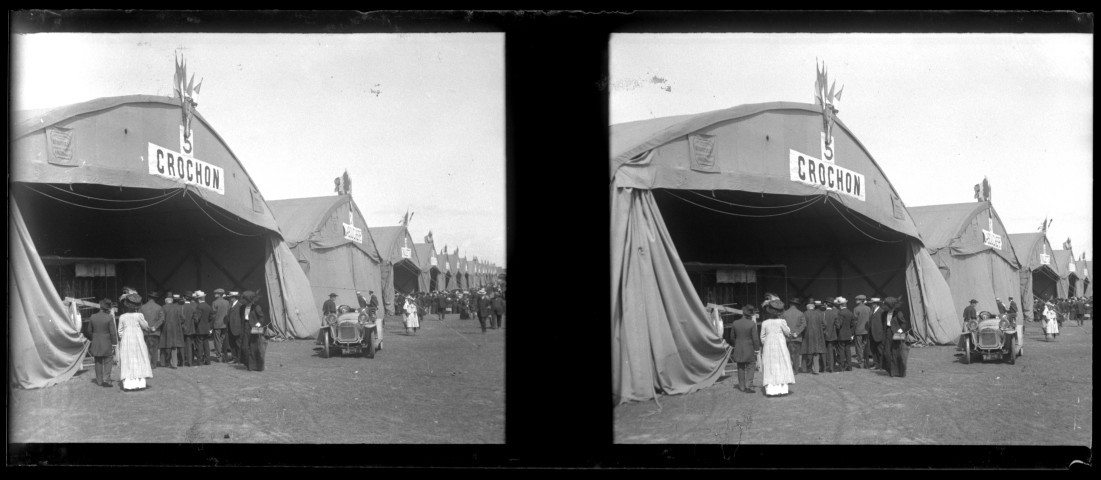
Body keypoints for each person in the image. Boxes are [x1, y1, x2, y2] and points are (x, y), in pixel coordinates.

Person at [117, 293, 153, 391]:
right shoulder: (139, 315)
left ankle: (128, 384)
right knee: (139, 358)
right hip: (137, 339)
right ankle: (140, 383)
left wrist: (124, 337)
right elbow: (145, 326)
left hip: (126, 339)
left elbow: (120, 331)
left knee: (128, 359)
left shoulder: (122, 317)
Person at [760, 299, 795, 397]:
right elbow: (788, 332)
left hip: (768, 347)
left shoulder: (765, 323)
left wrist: (767, 343)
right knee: (782, 365)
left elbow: (762, 337)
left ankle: (771, 391)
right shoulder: (782, 322)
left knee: (770, 366)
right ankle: (782, 390)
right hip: (780, 346)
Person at [730, 305, 761, 393]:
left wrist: (736, 344)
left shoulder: (735, 323)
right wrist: (757, 349)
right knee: (751, 365)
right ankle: (748, 385)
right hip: (749, 347)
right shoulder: (752, 324)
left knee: (740, 366)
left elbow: (732, 337)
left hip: (738, 347)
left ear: (743, 313)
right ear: (750, 315)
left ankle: (742, 386)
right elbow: (755, 338)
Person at [89, 299, 119, 387]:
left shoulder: (92, 317)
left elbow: (89, 331)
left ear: (100, 307)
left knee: (98, 361)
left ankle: (99, 381)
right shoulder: (109, 317)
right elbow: (113, 332)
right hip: (107, 342)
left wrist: (94, 337)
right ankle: (107, 379)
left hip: (96, 342)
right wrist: (114, 343)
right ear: (108, 308)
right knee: (108, 360)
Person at [239, 291, 270, 372]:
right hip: (245, 327)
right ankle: (247, 364)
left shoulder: (256, 307)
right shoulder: (242, 307)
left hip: (255, 328)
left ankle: (255, 366)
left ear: (248, 300)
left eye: (244, 299)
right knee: (245, 346)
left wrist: (258, 324)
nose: (243, 301)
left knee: (254, 347)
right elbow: (242, 318)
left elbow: (262, 317)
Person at [881, 297, 911, 378]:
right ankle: (890, 370)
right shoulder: (884, 313)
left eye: (886, 305)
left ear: (890, 305)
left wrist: (900, 331)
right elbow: (884, 324)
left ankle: (897, 372)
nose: (884, 307)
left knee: (896, 353)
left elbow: (904, 324)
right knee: (887, 352)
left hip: (897, 334)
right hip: (887, 333)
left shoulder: (898, 313)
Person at [159, 292, 185, 369]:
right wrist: (177, 323)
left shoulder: (163, 307)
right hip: (175, 329)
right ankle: (174, 363)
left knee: (163, 345)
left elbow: (161, 319)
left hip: (165, 328)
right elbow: (183, 318)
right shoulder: (177, 308)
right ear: (172, 300)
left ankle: (163, 362)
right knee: (174, 346)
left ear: (165, 300)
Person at [801, 300, 827, 374]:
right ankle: (816, 369)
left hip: (807, 335)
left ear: (807, 307)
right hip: (818, 335)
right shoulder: (819, 314)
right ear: (813, 306)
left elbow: (803, 325)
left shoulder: (805, 313)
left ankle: (806, 368)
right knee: (816, 352)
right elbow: (825, 324)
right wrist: (820, 329)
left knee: (807, 351)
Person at [140, 291, 165, 369]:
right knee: (154, 349)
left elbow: (140, 319)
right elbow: (162, 319)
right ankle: (154, 364)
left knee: (145, 348)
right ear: (155, 299)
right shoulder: (159, 307)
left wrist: (145, 327)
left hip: (145, 331)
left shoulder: (142, 307)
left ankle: (146, 364)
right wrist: (155, 326)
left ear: (148, 298)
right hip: (155, 332)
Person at [781, 297, 806, 376]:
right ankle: (795, 370)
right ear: (797, 305)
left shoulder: (784, 313)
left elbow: (782, 325)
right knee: (796, 355)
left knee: (787, 354)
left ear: (790, 304)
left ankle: (788, 370)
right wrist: (797, 333)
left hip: (787, 337)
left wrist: (787, 333)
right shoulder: (801, 313)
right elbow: (804, 324)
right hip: (797, 338)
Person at [193, 290, 214, 366]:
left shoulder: (199, 307)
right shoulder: (208, 306)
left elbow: (197, 319)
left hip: (200, 328)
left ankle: (199, 361)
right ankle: (208, 360)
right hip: (206, 328)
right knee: (206, 345)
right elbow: (211, 317)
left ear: (198, 299)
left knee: (199, 345)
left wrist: (194, 322)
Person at [834, 297, 855, 372]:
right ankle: (849, 366)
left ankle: (841, 366)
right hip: (848, 334)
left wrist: (835, 322)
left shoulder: (840, 313)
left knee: (841, 351)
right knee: (848, 351)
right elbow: (853, 324)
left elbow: (839, 325)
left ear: (840, 305)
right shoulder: (850, 312)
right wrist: (851, 333)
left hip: (841, 335)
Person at [852, 295, 872, 369]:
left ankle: (861, 362)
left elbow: (854, 321)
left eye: (857, 299)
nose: (856, 300)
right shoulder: (868, 308)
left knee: (858, 347)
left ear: (860, 300)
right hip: (866, 330)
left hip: (858, 330)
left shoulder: (856, 309)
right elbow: (870, 318)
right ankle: (866, 362)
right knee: (865, 346)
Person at [866, 298, 885, 370]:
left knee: (880, 350)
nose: (871, 304)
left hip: (878, 334)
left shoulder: (881, 312)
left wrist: (882, 333)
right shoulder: (872, 311)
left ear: (876, 304)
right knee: (873, 350)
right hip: (872, 334)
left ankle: (882, 365)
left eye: (872, 303)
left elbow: (883, 324)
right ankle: (876, 364)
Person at [225, 291, 244, 365]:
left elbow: (242, 318)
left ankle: (240, 359)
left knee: (238, 344)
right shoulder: (231, 305)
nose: (229, 298)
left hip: (237, 328)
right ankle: (234, 357)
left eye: (230, 297)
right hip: (230, 327)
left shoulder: (240, 306)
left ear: (234, 297)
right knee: (232, 344)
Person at [179, 291, 198, 367]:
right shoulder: (193, 308)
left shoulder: (181, 307)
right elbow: (196, 320)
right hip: (190, 329)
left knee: (182, 346)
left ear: (184, 298)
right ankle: (190, 362)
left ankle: (182, 361)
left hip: (182, 329)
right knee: (189, 346)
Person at [821, 300, 838, 373]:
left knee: (824, 351)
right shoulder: (835, 314)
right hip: (832, 335)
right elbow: (838, 326)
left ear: (826, 305)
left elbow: (821, 325)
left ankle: (824, 367)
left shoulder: (823, 313)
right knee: (831, 352)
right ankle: (831, 368)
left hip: (824, 335)